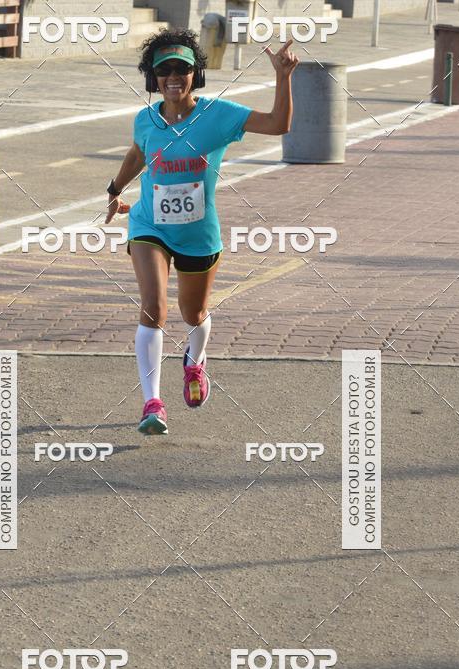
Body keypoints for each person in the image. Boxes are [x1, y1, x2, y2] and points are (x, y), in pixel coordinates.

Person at [105, 28, 298, 435]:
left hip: (198, 235)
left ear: (196, 74)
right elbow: (139, 151)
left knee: (192, 313)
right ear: (152, 77)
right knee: (153, 309)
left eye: (182, 69)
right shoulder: (145, 119)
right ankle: (152, 404)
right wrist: (114, 189)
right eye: (164, 70)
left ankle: (195, 360)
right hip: (148, 225)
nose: (173, 77)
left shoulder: (218, 116)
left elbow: (279, 124)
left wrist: (283, 77)